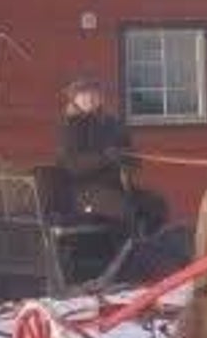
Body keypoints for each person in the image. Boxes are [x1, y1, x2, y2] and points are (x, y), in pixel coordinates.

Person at [55, 77, 168, 238]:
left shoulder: (111, 124)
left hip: (115, 187)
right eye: (84, 94)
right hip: (83, 191)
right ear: (74, 98)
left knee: (156, 205)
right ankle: (125, 250)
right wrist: (106, 158)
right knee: (123, 208)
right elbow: (72, 165)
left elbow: (130, 154)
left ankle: (149, 245)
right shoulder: (69, 127)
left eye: (94, 93)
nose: (90, 98)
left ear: (100, 97)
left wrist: (128, 158)